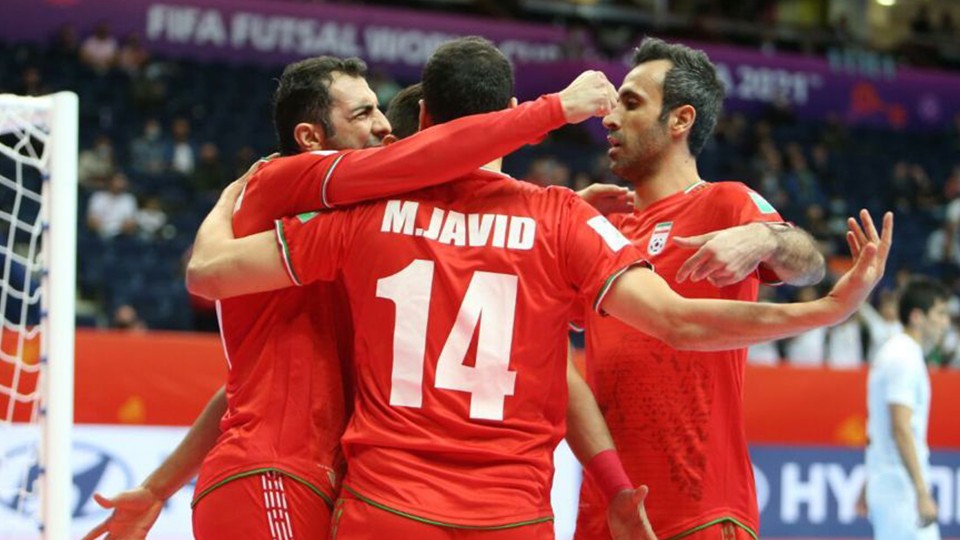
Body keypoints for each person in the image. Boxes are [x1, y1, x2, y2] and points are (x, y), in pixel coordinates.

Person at [185, 37, 890, 537]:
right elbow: (678, 321)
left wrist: (222, 208)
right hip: (516, 514)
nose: (611, 116)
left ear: (421, 122)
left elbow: (211, 275)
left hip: (390, 505)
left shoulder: (361, 218)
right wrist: (829, 308)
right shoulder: (564, 222)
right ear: (509, 111)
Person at [85, 53, 636, 540]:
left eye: (381, 113)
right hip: (275, 474)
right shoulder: (287, 178)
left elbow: (240, 393)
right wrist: (554, 113)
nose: (382, 128)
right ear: (310, 137)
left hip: (304, 479)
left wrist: (157, 488)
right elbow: (206, 272)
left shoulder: (358, 237)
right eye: (363, 113)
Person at [574, 38, 826, 540]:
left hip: (701, 509)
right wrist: (565, 218)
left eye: (631, 103)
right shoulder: (605, 229)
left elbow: (811, 265)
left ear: (680, 120)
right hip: (605, 512)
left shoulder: (724, 202)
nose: (610, 118)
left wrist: (766, 237)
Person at [858, 277, 948, 540]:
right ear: (917, 317)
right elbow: (900, 427)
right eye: (940, 313)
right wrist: (921, 492)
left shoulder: (897, 353)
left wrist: (868, 482)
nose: (945, 322)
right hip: (900, 489)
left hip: (891, 484)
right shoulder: (903, 358)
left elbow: (879, 428)